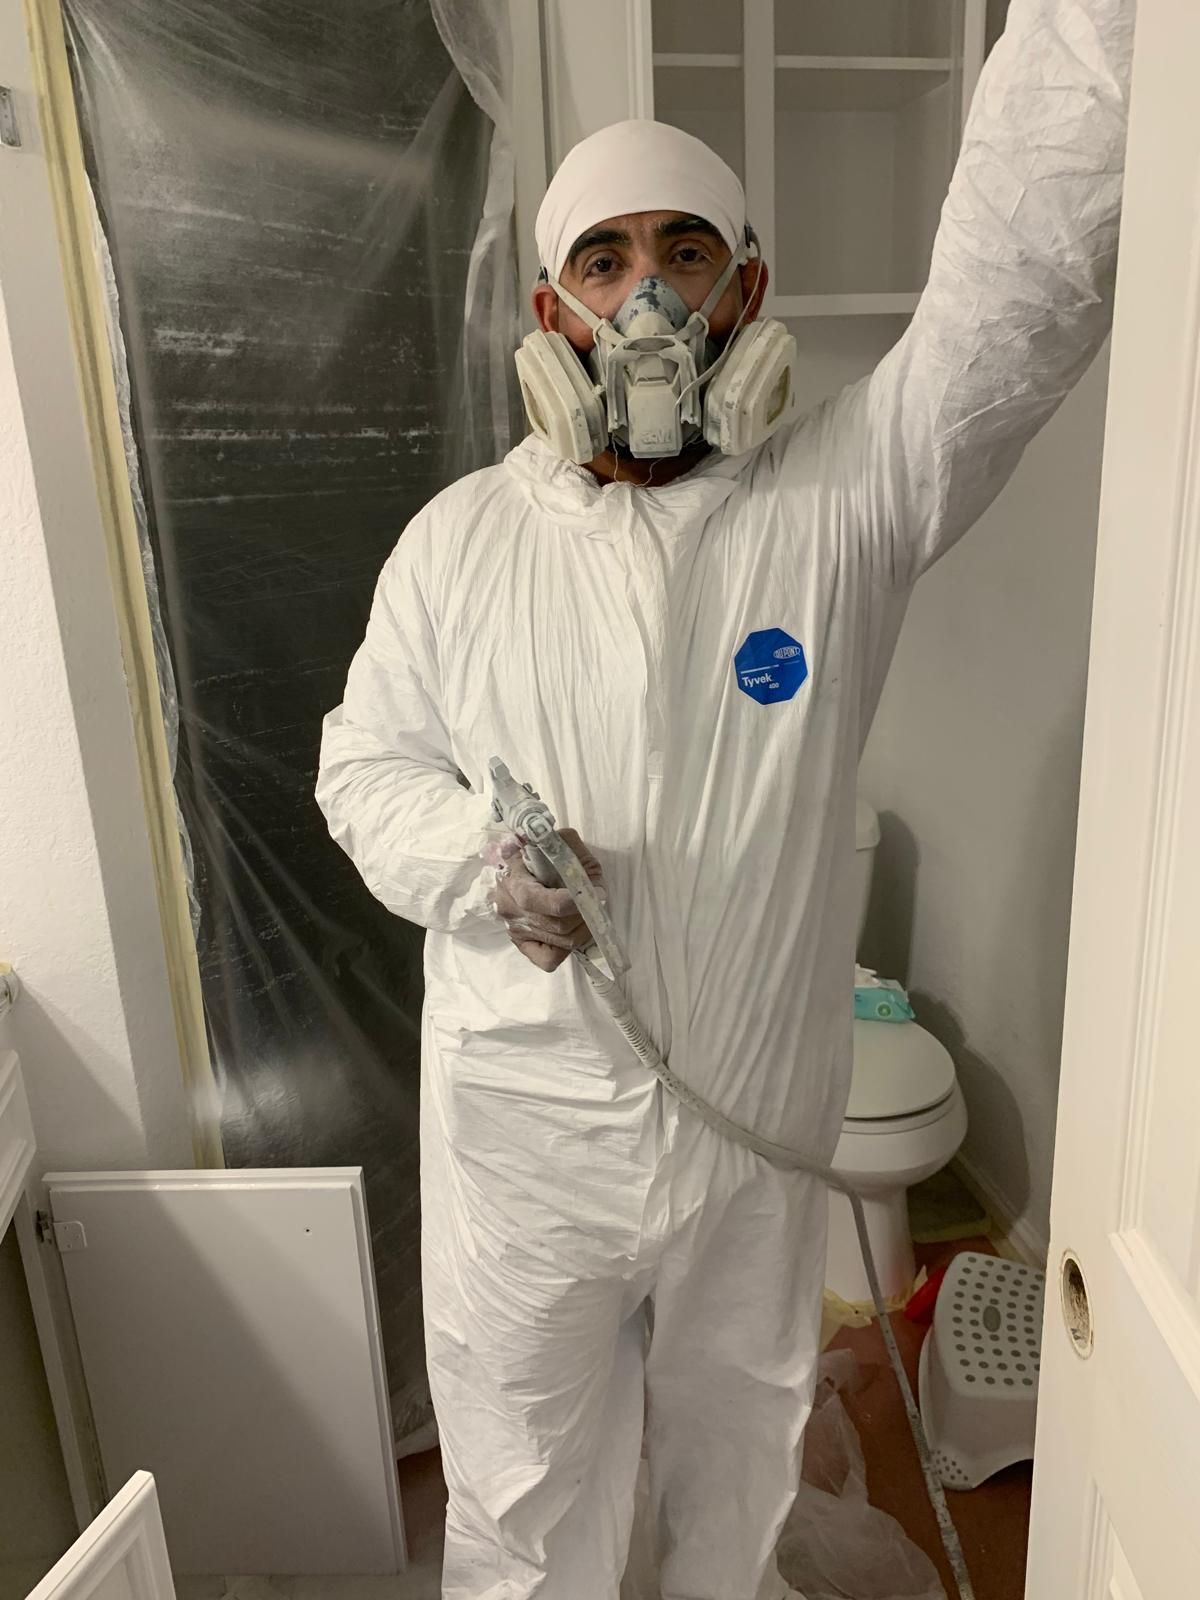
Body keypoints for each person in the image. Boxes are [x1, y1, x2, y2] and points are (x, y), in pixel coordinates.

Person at [316, 1, 1133, 1594]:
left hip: (748, 1140)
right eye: (603, 262)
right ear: (552, 311)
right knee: (521, 1490)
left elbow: (1019, 287)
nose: (644, 300)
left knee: (737, 1464)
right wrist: (484, 866)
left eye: (681, 254)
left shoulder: (843, 501)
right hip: (525, 1142)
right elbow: (362, 767)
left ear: (743, 290)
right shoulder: (459, 546)